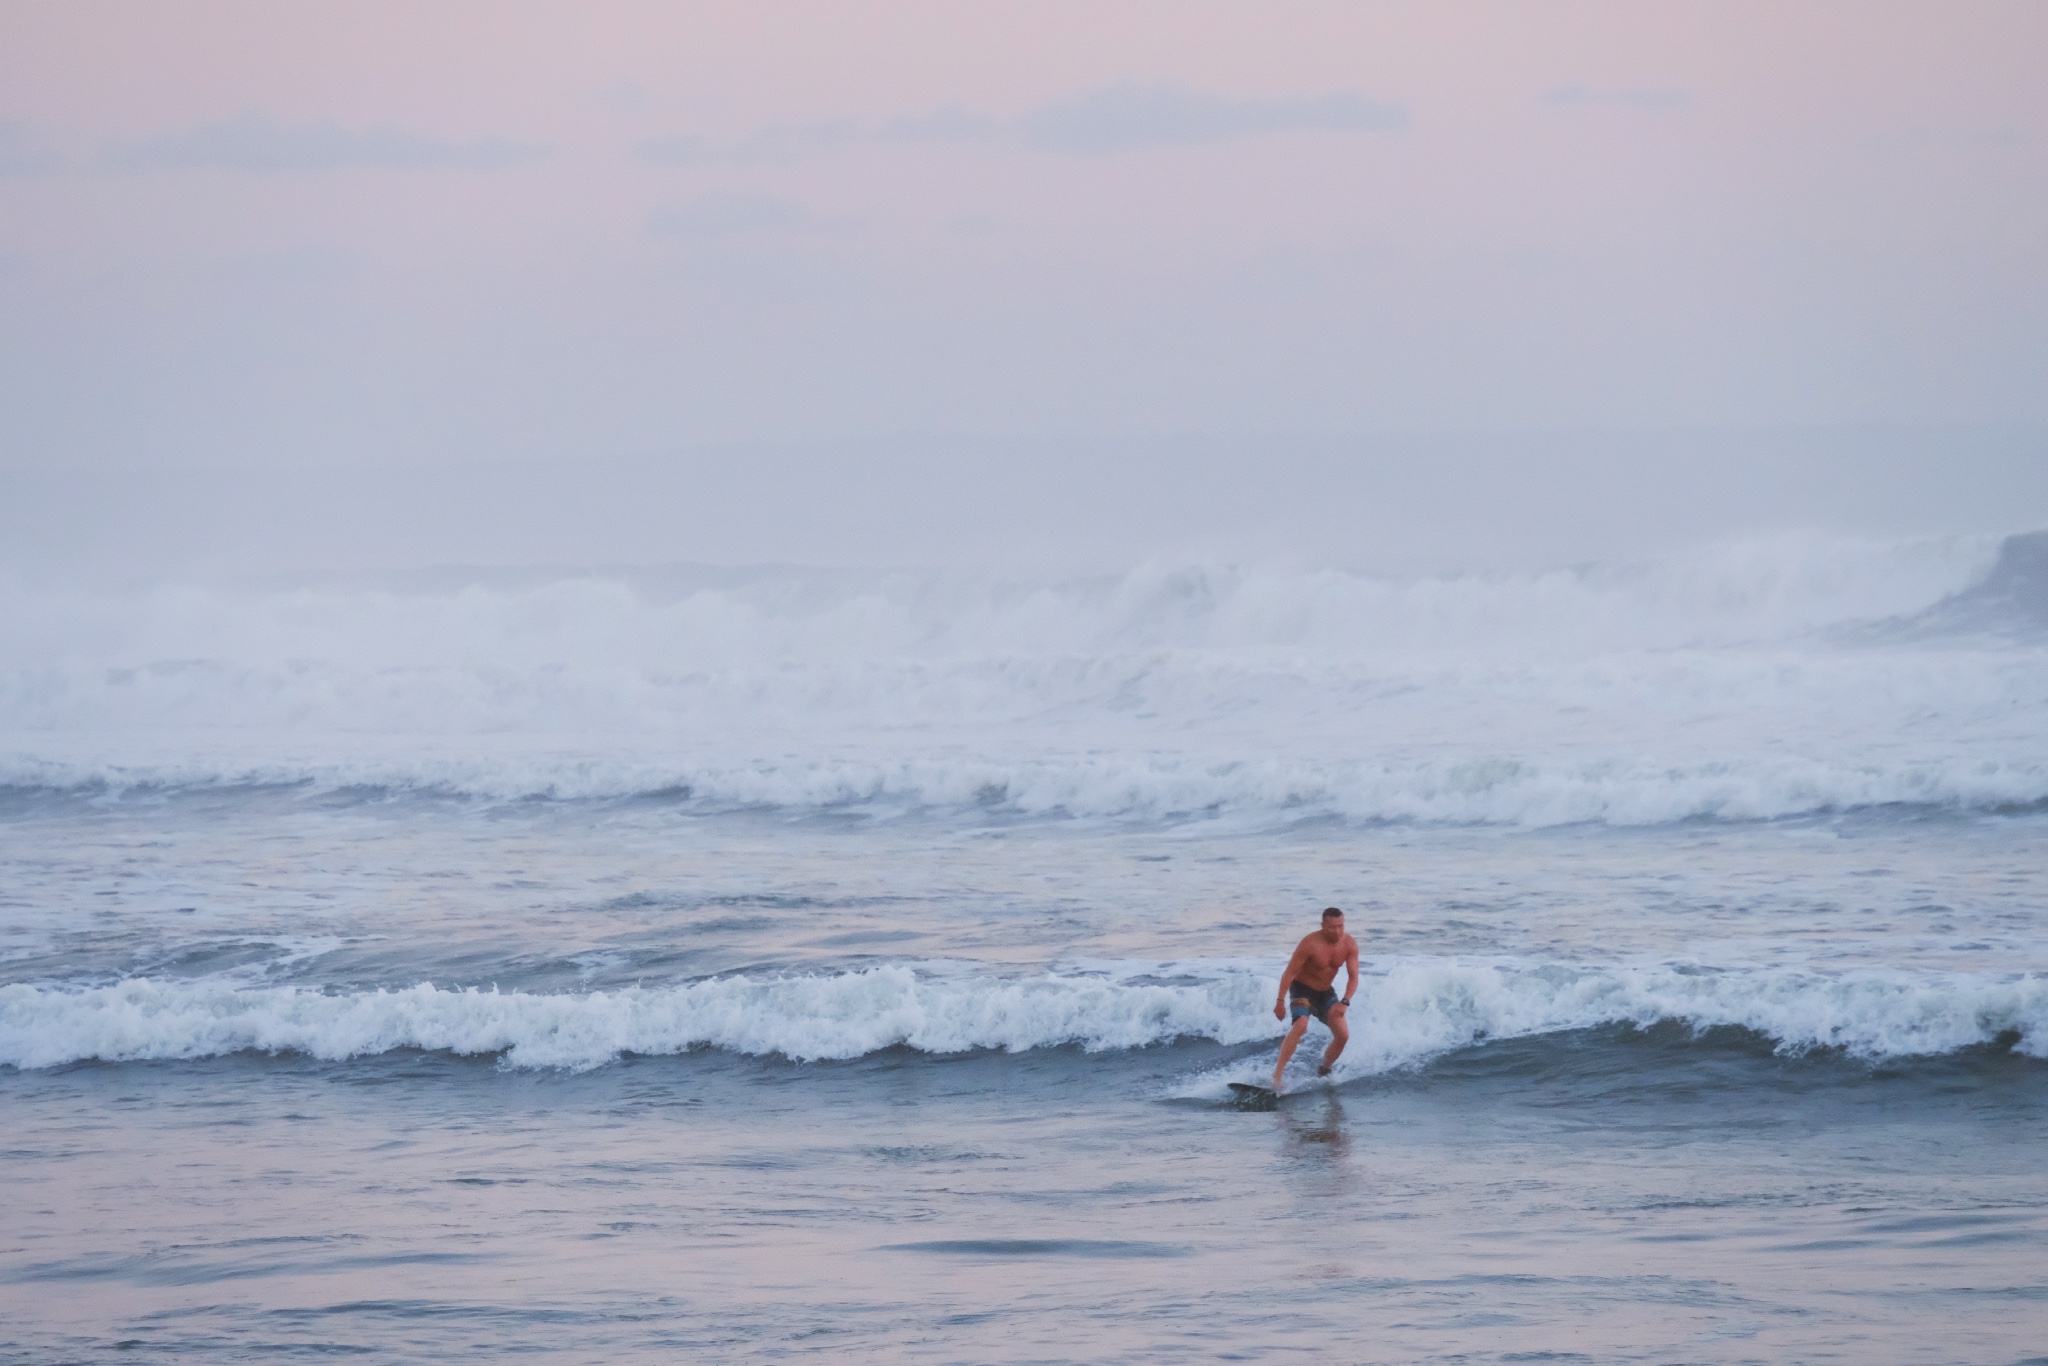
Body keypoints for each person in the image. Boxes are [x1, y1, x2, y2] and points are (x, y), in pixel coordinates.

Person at [1271, 906, 1359, 1092]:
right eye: (1332, 927)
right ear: (1323, 925)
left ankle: (1324, 1069)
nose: (1337, 931)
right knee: (1301, 1024)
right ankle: (1277, 1077)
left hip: (1325, 993)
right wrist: (1279, 1001)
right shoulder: (1310, 943)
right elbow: (1290, 972)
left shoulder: (1349, 944)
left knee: (1343, 1035)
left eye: (1340, 926)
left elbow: (1353, 977)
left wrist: (1344, 1001)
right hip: (1302, 990)